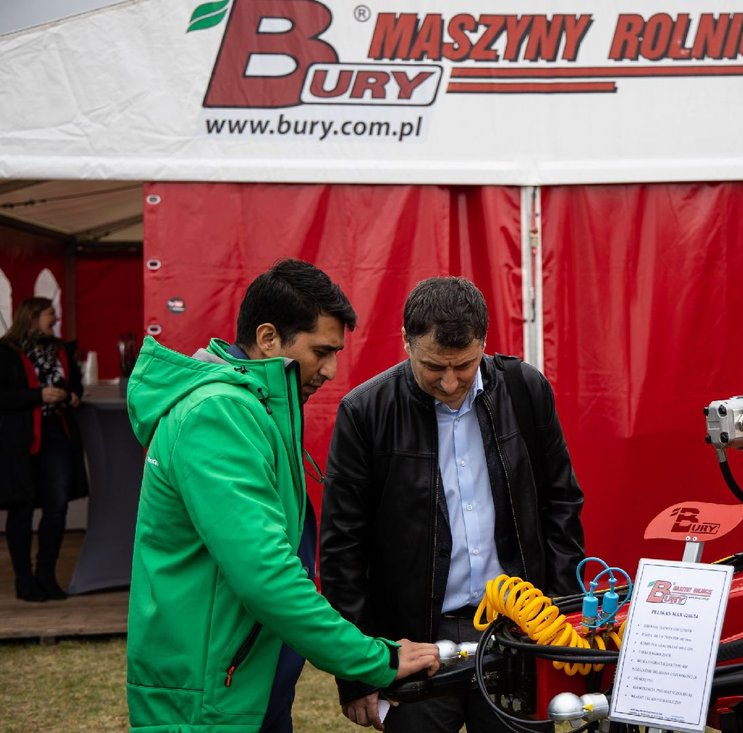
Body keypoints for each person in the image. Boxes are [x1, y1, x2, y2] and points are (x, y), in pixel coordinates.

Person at [125, 259, 440, 733]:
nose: (331, 370)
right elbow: (267, 575)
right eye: (321, 351)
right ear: (269, 338)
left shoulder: (251, 407)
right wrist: (376, 659)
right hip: (207, 700)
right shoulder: (219, 414)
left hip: (242, 687)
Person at [320, 276, 586, 732]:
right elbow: (342, 549)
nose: (449, 381)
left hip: (517, 631)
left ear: (484, 341)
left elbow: (560, 503)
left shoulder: (525, 389)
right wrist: (359, 672)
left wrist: (563, 618)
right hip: (415, 644)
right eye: (433, 366)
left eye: (464, 365)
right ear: (406, 342)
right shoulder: (365, 411)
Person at [0, 297, 87, 602]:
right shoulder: (6, 351)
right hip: (19, 439)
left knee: (56, 507)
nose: (56, 318)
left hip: (56, 434)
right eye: (51, 313)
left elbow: (75, 384)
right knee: (21, 507)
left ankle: (46, 575)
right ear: (33, 316)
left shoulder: (61, 348)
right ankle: (24, 580)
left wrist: (72, 395)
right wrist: (38, 396)